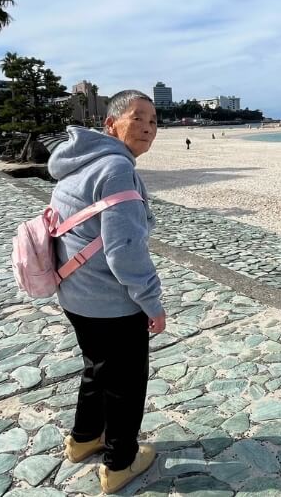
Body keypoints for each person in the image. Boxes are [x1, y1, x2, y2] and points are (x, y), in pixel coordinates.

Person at [47, 90, 164, 494]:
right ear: (110, 124)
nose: (148, 127)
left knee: (97, 368)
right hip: (110, 302)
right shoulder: (116, 169)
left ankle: (83, 439)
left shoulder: (80, 162)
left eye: (153, 120)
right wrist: (153, 302)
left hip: (75, 293)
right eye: (139, 118)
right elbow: (124, 251)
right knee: (126, 383)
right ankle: (119, 463)